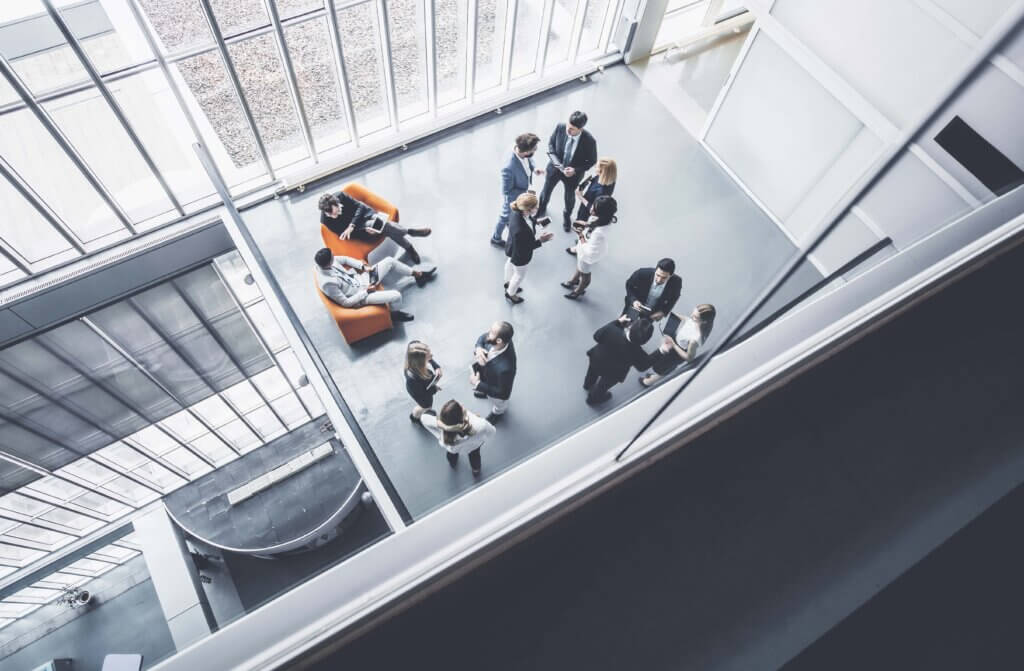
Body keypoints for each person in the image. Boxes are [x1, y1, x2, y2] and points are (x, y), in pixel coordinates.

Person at [314, 247, 435, 322]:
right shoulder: (327, 283)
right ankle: (394, 314)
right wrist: (366, 292)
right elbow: (346, 303)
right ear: (327, 263)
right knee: (396, 295)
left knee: (389, 261)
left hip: (362, 280)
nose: (335, 257)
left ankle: (418, 275)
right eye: (333, 257)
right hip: (361, 297)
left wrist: (363, 267)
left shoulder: (328, 262)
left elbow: (345, 259)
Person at [319, 191, 432, 265]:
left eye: (337, 211)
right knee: (386, 227)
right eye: (332, 215)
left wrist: (351, 224)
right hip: (360, 230)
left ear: (338, 202)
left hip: (365, 216)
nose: (336, 216)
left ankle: (409, 245)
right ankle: (409, 234)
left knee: (385, 227)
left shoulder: (341, 196)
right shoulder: (326, 220)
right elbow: (345, 234)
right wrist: (361, 229)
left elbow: (360, 206)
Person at [538, 111, 598, 231]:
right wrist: (558, 164)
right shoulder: (560, 127)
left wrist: (575, 170)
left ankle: (567, 216)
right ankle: (542, 208)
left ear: (580, 129)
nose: (568, 130)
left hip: (573, 175)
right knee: (546, 190)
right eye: (568, 126)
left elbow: (592, 161)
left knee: (569, 197)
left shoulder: (589, 141)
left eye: (572, 129)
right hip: (554, 168)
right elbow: (551, 145)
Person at [491, 132, 548, 247]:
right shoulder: (508, 168)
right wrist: (526, 195)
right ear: (526, 152)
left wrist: (534, 168)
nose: (535, 151)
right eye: (534, 150)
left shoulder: (518, 147)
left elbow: (529, 161)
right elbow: (507, 191)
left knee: (510, 216)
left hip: (523, 190)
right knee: (504, 216)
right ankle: (496, 238)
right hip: (513, 197)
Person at [583, 316, 656, 405]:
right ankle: (592, 399)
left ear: (630, 327)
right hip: (613, 373)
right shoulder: (638, 353)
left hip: (597, 359)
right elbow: (643, 366)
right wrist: (661, 350)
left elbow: (596, 336)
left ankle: (588, 384)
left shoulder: (612, 330)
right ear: (644, 341)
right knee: (602, 386)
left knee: (592, 372)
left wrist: (618, 322)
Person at [640, 304, 716, 387]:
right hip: (675, 343)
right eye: (693, 314)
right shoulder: (695, 321)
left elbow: (689, 358)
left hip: (677, 354)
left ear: (703, 321)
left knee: (664, 369)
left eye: (695, 317)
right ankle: (653, 376)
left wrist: (673, 344)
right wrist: (675, 315)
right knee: (661, 363)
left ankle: (648, 382)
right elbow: (688, 320)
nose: (691, 316)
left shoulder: (695, 338)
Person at [419, 399, 496, 476]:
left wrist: (446, 427)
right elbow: (492, 431)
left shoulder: (444, 433)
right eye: (461, 406)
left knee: (452, 455)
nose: (462, 405)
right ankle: (476, 471)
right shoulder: (480, 424)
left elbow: (424, 417)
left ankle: (453, 464)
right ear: (461, 414)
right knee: (475, 456)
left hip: (454, 450)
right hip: (475, 445)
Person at [562, 195, 617, 300]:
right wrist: (586, 225)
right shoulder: (604, 219)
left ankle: (579, 290)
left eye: (594, 207)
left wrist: (580, 235)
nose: (591, 208)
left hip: (589, 253)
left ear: (601, 212)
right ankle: (575, 280)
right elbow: (592, 223)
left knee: (585, 272)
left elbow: (589, 251)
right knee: (580, 265)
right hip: (586, 245)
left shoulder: (599, 233)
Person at [504, 192, 554, 304]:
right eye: (535, 207)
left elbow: (528, 219)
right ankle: (511, 293)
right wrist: (541, 240)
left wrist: (536, 222)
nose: (537, 208)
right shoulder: (521, 230)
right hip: (520, 256)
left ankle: (508, 282)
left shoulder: (516, 211)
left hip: (512, 247)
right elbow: (526, 247)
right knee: (519, 275)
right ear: (528, 209)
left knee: (509, 264)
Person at [470, 321, 517, 423]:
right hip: (488, 376)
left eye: (491, 332)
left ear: (499, 340)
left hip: (496, 391)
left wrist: (478, 384)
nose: (488, 333)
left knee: (500, 404)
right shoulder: (498, 340)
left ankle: (497, 412)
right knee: (487, 392)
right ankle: (486, 394)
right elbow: (482, 338)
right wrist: (478, 348)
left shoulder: (506, 369)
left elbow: (503, 394)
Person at [623, 258, 682, 322]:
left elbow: (675, 297)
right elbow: (629, 285)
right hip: (634, 307)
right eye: (657, 275)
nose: (659, 280)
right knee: (622, 327)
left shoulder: (677, 282)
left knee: (642, 331)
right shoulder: (642, 273)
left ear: (671, 275)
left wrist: (663, 312)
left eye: (664, 278)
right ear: (655, 270)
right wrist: (634, 300)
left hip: (651, 314)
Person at [573, 157, 617, 226]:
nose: (595, 168)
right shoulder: (608, 178)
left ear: (602, 172)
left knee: (579, 226)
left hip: (587, 215)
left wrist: (580, 196)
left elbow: (593, 210)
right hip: (588, 200)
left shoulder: (602, 192)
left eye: (597, 167)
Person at [405, 341, 442, 420]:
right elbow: (425, 393)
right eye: (428, 356)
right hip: (421, 395)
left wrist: (436, 366)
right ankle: (415, 416)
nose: (432, 355)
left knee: (426, 406)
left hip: (421, 388)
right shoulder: (413, 379)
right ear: (420, 360)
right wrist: (434, 388)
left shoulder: (413, 362)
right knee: (426, 406)